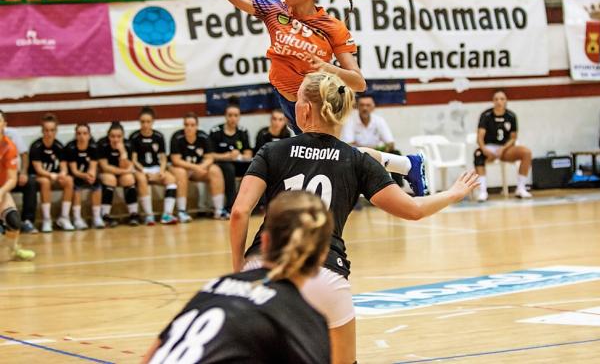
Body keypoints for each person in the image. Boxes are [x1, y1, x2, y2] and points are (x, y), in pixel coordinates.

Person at [230, 72, 479, 364]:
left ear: (305, 109)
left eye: (297, 99)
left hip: (264, 266)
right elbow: (414, 210)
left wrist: (240, 269)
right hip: (324, 273)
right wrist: (453, 193)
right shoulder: (356, 159)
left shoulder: (273, 150)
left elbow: (238, 213)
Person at [200, 0, 429, 197]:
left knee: (326, 157)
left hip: (316, 103)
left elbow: (358, 82)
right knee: (336, 155)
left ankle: (397, 174)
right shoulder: (274, 10)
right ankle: (407, 164)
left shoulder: (331, 27)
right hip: (287, 100)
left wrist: (326, 68)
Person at [143, 190, 333, 364]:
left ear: (265, 242)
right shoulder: (299, 314)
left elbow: (153, 353)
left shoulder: (218, 284)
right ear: (323, 254)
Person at [130, 107, 187, 225]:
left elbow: (163, 158)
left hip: (156, 168)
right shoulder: (134, 137)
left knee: (171, 179)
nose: (145, 124)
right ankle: (149, 216)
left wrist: (161, 171)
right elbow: (134, 160)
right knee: (141, 179)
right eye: (142, 122)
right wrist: (144, 171)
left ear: (153, 122)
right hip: (141, 169)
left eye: (148, 121)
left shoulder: (158, 136)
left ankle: (167, 214)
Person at [473, 89, 533, 201]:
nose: (499, 101)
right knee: (478, 154)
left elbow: (513, 137)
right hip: (489, 147)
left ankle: (521, 188)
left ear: (506, 101)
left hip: (505, 148)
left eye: (502, 99)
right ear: (492, 101)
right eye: (496, 99)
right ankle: (483, 192)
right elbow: (479, 138)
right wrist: (484, 149)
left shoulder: (511, 116)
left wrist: (503, 148)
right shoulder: (486, 115)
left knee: (526, 152)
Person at [170, 112, 229, 220]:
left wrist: (201, 167)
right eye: (186, 125)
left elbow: (209, 158)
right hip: (182, 169)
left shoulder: (203, 136)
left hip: (197, 170)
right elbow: (176, 160)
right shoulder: (177, 137)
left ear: (196, 126)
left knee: (215, 170)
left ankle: (219, 210)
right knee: (181, 172)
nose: (189, 128)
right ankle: (181, 211)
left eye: (192, 125)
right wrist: (195, 167)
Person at [342, 93, 404, 186]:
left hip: (377, 153)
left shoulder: (379, 120)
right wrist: (373, 147)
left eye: (368, 105)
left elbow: (391, 144)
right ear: (357, 107)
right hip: (357, 155)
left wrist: (375, 149)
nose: (365, 108)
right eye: (362, 105)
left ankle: (398, 187)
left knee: (396, 153)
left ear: (373, 107)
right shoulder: (350, 121)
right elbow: (349, 144)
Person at [29, 113, 74, 233]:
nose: (49, 133)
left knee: (69, 180)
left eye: (52, 130)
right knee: (45, 182)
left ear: (56, 131)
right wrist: (51, 175)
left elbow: (64, 166)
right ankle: (46, 219)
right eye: (46, 130)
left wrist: (62, 174)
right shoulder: (36, 146)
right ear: (42, 131)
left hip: (54, 176)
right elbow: (38, 169)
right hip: (38, 177)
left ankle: (64, 217)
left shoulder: (59, 146)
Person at [0, 110, 35, 261]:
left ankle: (13, 249)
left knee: (14, 221)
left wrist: (1, 192)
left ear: (4, 124)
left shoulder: (9, 147)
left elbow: (12, 179)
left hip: (1, 190)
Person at [209, 100, 253, 212]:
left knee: (254, 168)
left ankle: (254, 205)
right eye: (230, 115)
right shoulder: (215, 131)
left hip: (239, 163)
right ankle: (231, 205)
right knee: (229, 168)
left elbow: (249, 153)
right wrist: (227, 156)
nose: (233, 118)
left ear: (239, 117)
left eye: (236, 115)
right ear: (225, 116)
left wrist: (240, 155)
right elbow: (210, 155)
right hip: (222, 163)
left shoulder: (243, 132)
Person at [97, 122, 140, 227]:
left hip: (121, 172)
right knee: (110, 178)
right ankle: (105, 214)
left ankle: (133, 214)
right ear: (108, 136)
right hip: (105, 173)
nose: (115, 139)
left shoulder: (128, 144)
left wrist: (123, 153)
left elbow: (127, 166)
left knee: (129, 179)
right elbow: (105, 167)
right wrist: (125, 171)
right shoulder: (102, 144)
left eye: (119, 136)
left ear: (123, 136)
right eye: (112, 136)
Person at [65, 124, 103, 230]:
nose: (82, 136)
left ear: (89, 135)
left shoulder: (93, 147)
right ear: (76, 135)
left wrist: (91, 175)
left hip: (87, 174)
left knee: (97, 185)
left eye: (85, 133)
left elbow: (93, 166)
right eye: (79, 133)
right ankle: (77, 218)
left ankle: (96, 217)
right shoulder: (71, 147)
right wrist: (85, 175)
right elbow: (74, 171)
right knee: (76, 188)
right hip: (76, 175)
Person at [4, 123, 38, 234]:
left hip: (9, 177)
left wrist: (23, 173)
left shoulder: (10, 143)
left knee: (30, 182)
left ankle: (27, 221)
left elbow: (24, 155)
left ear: (4, 123)